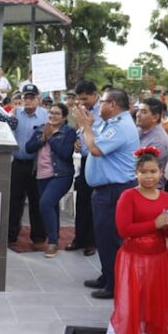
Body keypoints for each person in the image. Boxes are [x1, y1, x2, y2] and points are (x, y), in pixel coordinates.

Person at [92, 147, 168, 334]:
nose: (149, 176)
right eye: (144, 172)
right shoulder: (128, 196)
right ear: (136, 173)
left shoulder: (167, 198)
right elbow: (124, 230)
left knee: (152, 308)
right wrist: (155, 223)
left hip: (159, 261)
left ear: (161, 172)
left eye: (153, 171)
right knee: (126, 309)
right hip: (132, 260)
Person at [74, 87, 140, 299]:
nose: (98, 105)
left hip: (114, 190)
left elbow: (95, 149)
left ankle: (113, 284)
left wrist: (85, 126)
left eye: (102, 101)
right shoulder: (113, 124)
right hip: (107, 189)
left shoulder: (120, 126)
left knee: (110, 238)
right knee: (103, 237)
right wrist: (90, 126)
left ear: (112, 105)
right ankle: (106, 275)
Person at [25, 103, 77, 257]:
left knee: (45, 203)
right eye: (51, 113)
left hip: (61, 175)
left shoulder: (69, 132)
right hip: (42, 174)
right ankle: (55, 237)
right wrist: (42, 139)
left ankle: (53, 242)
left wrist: (51, 138)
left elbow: (66, 153)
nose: (52, 116)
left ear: (64, 117)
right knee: (51, 206)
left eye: (57, 114)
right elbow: (29, 148)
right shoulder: (41, 128)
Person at [8, 84, 48, 249]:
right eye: (26, 97)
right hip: (17, 163)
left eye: (32, 97)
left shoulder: (46, 115)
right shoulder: (15, 113)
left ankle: (38, 238)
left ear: (38, 98)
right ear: (22, 99)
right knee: (14, 201)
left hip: (36, 164)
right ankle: (10, 236)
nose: (29, 100)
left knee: (36, 201)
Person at [67, 81, 100, 256]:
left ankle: (91, 242)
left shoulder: (104, 112)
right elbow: (79, 130)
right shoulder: (81, 110)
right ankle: (79, 238)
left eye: (86, 99)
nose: (83, 102)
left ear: (95, 94)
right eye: (80, 99)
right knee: (81, 200)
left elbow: (99, 135)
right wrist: (76, 140)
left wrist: (90, 125)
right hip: (85, 158)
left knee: (93, 202)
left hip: (98, 159)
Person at [136, 98, 168, 187]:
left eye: (143, 112)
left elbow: (144, 168)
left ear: (155, 117)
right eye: (138, 111)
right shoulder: (140, 130)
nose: (138, 115)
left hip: (149, 190)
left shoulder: (158, 141)